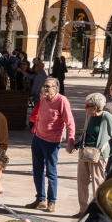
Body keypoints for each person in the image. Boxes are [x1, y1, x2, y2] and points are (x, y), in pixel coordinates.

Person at [72, 92, 112, 217]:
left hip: (98, 155)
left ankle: (98, 210)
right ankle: (83, 210)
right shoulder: (89, 116)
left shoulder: (107, 117)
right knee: (82, 182)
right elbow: (85, 134)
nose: (84, 108)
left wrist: (109, 153)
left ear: (95, 108)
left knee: (97, 183)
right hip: (85, 153)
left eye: (86, 106)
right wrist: (76, 145)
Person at [28, 77, 73, 213]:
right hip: (38, 138)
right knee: (37, 170)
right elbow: (40, 116)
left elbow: (70, 122)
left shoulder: (62, 101)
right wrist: (35, 131)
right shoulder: (43, 100)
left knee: (51, 172)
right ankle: (40, 199)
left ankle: (51, 202)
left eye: (48, 86)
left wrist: (70, 140)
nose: (45, 89)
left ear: (56, 88)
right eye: (44, 86)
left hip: (52, 142)